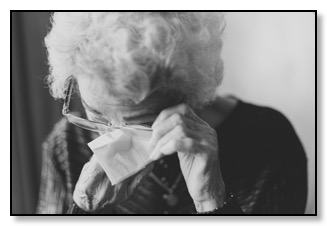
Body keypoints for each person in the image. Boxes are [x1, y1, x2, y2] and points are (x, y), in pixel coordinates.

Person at [36, 12, 307, 214]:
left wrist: (210, 199)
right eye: (95, 113)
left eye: (139, 123)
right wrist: (83, 209)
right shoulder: (66, 145)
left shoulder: (270, 141)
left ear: (191, 93)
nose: (111, 136)